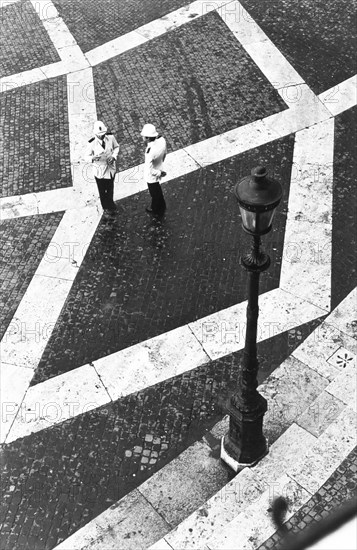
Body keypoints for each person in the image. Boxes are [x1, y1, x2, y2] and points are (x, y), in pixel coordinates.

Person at [87, 120, 119, 212]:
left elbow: (116, 147)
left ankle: (111, 205)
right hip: (99, 171)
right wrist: (93, 158)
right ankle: (105, 207)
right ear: (95, 134)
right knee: (102, 191)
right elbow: (86, 156)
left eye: (103, 134)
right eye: (99, 135)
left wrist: (114, 156)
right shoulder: (91, 143)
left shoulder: (111, 137)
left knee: (110, 188)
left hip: (110, 169)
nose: (101, 136)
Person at [141, 123, 167, 215]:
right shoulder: (162, 140)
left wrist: (159, 173)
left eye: (144, 137)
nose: (143, 138)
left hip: (153, 175)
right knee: (157, 188)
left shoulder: (149, 152)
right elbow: (164, 153)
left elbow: (149, 169)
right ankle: (162, 204)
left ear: (148, 138)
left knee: (154, 192)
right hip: (159, 167)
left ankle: (155, 208)